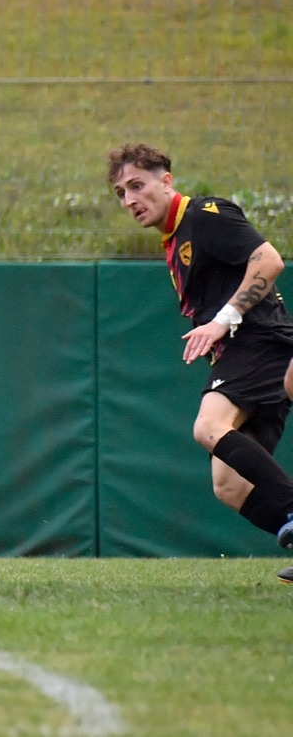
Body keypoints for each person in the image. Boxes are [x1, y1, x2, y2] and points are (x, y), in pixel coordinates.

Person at [107, 143, 293, 582]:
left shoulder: (206, 214)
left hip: (259, 341)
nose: (130, 199)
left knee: (208, 427)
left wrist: (221, 321)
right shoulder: (174, 242)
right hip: (244, 350)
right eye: (121, 193)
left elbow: (269, 260)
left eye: (137, 185)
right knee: (229, 485)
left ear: (166, 181)